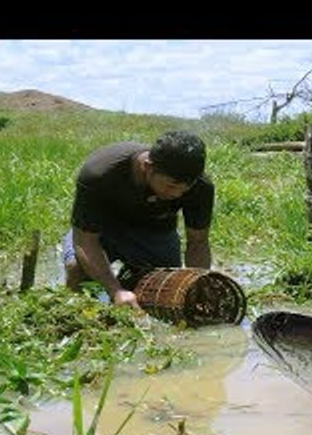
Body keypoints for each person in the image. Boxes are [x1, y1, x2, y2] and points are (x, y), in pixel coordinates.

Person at [62, 129, 215, 310]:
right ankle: (77, 316)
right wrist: (115, 291)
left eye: (184, 189)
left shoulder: (201, 187)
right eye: (170, 186)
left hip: (155, 232)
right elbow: (86, 241)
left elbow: (198, 241)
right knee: (76, 269)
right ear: (148, 167)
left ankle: (130, 287)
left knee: (165, 289)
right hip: (103, 229)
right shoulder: (100, 173)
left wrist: (198, 284)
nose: (176, 194)